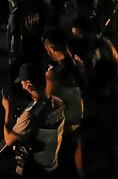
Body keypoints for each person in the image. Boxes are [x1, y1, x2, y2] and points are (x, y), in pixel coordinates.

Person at [3, 63, 66, 177]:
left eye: (22, 83)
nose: (22, 86)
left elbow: (8, 140)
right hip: (53, 162)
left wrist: (7, 109)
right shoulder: (59, 103)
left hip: (37, 167)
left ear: (29, 85)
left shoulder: (29, 116)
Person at [44, 28, 85, 175]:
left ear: (52, 48)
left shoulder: (52, 75)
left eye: (47, 49)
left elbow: (47, 104)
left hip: (64, 131)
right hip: (81, 125)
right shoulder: (80, 65)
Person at [5, 0, 51, 78]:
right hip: (35, 39)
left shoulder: (18, 12)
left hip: (27, 44)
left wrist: (13, 55)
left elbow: (14, 38)